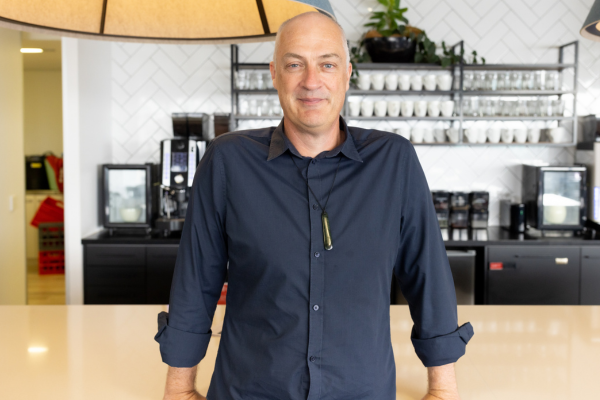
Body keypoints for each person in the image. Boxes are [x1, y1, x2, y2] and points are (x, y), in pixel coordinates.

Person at [155, 11, 473, 400]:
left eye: (327, 64)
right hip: (249, 390)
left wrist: (443, 389)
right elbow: (196, 281)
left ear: (347, 74)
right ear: (274, 74)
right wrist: (178, 389)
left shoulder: (394, 160)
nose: (311, 81)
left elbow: (428, 277)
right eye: (294, 64)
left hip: (361, 391)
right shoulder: (227, 161)